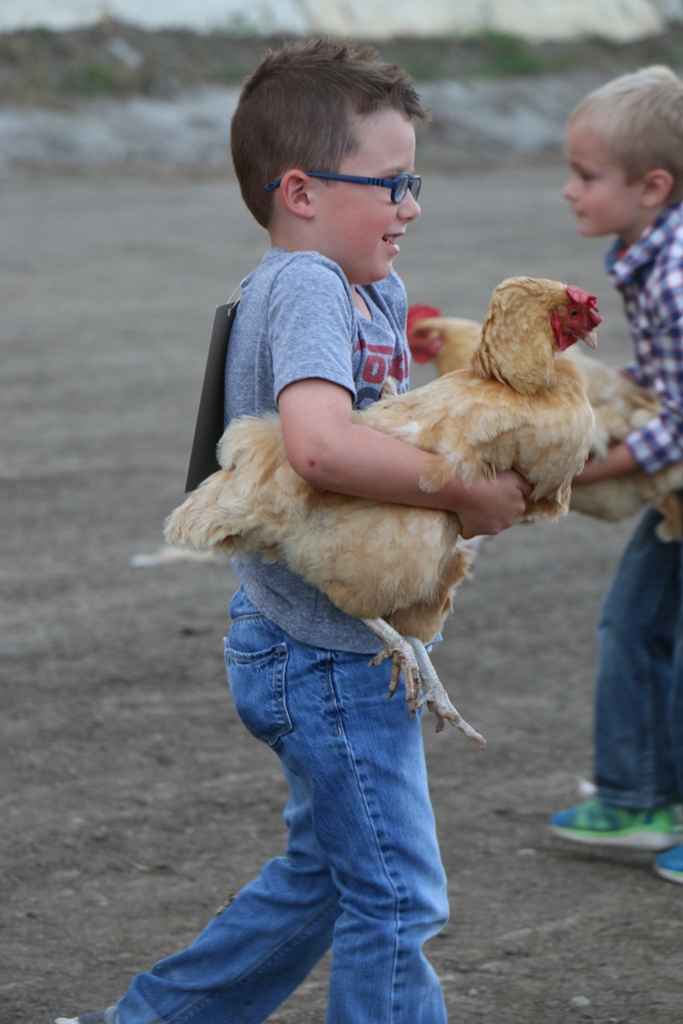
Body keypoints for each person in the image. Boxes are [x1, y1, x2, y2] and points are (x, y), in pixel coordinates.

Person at [56, 39, 530, 1024]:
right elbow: (317, 449)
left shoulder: (364, 286)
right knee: (396, 894)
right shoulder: (307, 283)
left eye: (413, 182)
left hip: (322, 644)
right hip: (321, 655)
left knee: (322, 880)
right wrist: (464, 494)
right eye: (390, 184)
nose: (410, 205)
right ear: (302, 192)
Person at [548, 66, 683, 883]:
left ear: (651, 186)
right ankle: (637, 797)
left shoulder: (674, 275)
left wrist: (587, 466)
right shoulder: (643, 253)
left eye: (586, 175)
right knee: (631, 621)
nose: (568, 189)